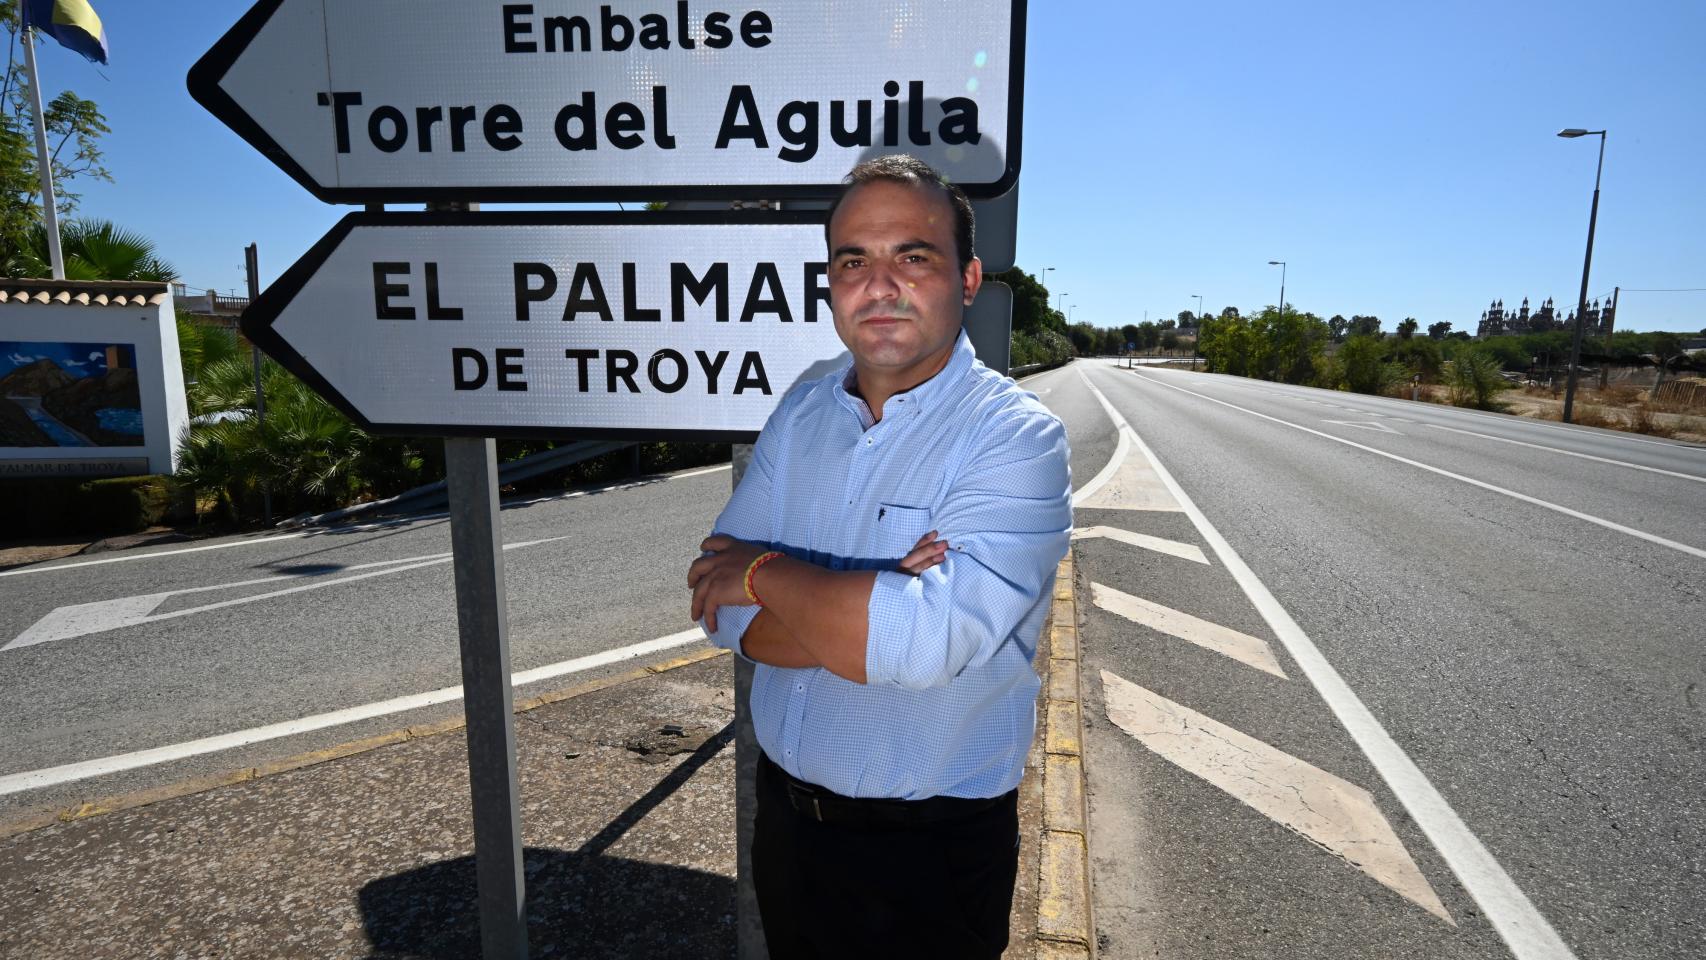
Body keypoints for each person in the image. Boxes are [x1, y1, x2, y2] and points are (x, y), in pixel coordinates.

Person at [687, 154, 1072, 958]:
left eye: (913, 255)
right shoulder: (802, 411)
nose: (880, 283)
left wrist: (764, 572)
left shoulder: (1014, 437)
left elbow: (924, 646)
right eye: (853, 259)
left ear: (967, 279)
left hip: (931, 859)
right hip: (790, 832)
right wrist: (879, 595)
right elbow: (719, 614)